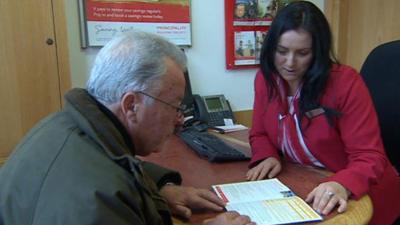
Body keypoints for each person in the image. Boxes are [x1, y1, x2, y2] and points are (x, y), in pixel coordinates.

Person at [0, 31, 254, 225]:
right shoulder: (96, 201)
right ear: (131, 105)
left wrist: (160, 188)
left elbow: (115, 162)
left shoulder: (66, 125)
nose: (179, 119)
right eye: (174, 105)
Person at [246, 1, 400, 225]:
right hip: (305, 186)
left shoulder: (345, 82)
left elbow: (369, 156)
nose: (289, 63)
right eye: (282, 51)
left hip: (360, 197)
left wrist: (342, 184)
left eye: (302, 53)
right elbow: (259, 133)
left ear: (317, 52)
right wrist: (266, 154)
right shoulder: (265, 79)